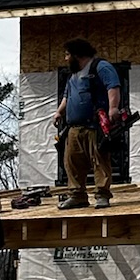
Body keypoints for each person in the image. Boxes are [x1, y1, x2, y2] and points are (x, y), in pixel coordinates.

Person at [53, 37, 121, 208]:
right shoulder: (73, 74)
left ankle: (102, 195)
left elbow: (113, 87)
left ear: (78, 55)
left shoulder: (101, 67)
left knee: (99, 160)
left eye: (68, 54)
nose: (65, 58)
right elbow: (67, 96)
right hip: (74, 128)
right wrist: (59, 112)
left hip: (95, 125)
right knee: (72, 161)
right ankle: (77, 195)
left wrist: (113, 108)